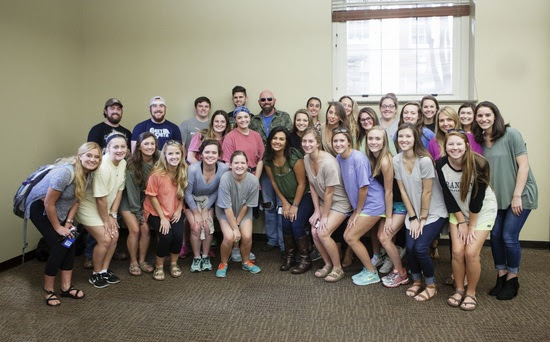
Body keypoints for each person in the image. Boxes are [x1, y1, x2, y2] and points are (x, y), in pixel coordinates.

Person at [473, 101, 538, 300]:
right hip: (497, 198)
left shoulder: (512, 134)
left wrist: (517, 195)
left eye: (487, 115)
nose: (483, 119)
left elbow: (524, 167)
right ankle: (501, 276)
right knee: (496, 237)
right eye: (480, 116)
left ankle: (512, 278)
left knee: (509, 236)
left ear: (495, 116)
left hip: (520, 194)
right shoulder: (479, 141)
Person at [26, 142, 101, 306]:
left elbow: (76, 200)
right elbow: (48, 203)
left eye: (97, 157)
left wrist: (68, 223)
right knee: (60, 246)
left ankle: (66, 288)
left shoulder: (88, 174)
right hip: (40, 208)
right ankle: (49, 290)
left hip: (60, 211)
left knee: (70, 243)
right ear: (80, 156)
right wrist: (58, 227)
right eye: (89, 155)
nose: (93, 159)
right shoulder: (65, 173)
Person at [436, 130, 497, 311]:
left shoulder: (479, 163)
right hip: (458, 211)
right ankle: (459, 289)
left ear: (466, 146)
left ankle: (471, 293)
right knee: (456, 251)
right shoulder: (440, 164)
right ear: (445, 147)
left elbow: (477, 199)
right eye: (451, 145)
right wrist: (462, 222)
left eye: (459, 144)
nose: (455, 148)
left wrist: (471, 225)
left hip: (482, 211)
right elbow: (447, 196)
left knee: (470, 253)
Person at [394, 123, 448, 301]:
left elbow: (427, 192)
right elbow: (403, 191)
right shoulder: (396, 160)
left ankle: (431, 285)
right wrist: (413, 217)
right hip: (415, 213)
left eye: (408, 136)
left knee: (421, 248)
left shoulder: (424, 160)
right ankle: (417, 281)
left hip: (433, 212)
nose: (404, 140)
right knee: (410, 248)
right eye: (401, 136)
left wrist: (422, 218)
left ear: (415, 138)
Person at [333, 128, 385, 286]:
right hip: (362, 205)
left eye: (342, 140)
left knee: (350, 237)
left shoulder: (358, 159)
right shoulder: (339, 158)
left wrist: (357, 212)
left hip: (373, 203)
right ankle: (371, 265)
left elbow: (364, 188)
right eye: (335, 141)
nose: (338, 144)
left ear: (349, 142)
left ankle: (371, 272)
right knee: (349, 235)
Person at [85, 97, 131, 268]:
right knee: (100, 223)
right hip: (97, 192)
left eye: (118, 108)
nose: (115, 111)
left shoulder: (126, 132)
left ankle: (110, 248)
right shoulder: (97, 129)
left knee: (114, 221)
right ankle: (90, 255)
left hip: (113, 187)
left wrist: (112, 212)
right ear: (105, 111)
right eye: (112, 108)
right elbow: (91, 152)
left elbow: (120, 188)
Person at [77, 132, 128, 288]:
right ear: (107, 149)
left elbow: (120, 190)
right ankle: (96, 273)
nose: (120, 150)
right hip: (89, 207)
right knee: (105, 239)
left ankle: (104, 270)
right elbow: (100, 199)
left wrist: (113, 214)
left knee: (115, 235)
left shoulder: (123, 163)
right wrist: (107, 220)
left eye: (123, 147)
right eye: (116, 147)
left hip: (106, 207)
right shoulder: (103, 168)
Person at [302, 128, 353, 282]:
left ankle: (338, 268)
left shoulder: (328, 163)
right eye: (304, 141)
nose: (307, 144)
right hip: (325, 202)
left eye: (311, 141)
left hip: (339, 203)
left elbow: (330, 192)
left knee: (322, 232)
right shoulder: (306, 159)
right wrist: (317, 211)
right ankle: (328, 264)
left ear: (318, 143)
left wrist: (324, 216)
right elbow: (312, 185)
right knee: (314, 231)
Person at [264, 127, 314, 274]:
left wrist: (295, 205)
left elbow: (302, 183)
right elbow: (273, 183)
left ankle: (306, 259)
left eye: (281, 139)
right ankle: (290, 257)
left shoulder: (294, 156)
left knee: (296, 224)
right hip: (287, 199)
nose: (277, 141)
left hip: (304, 196)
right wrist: (285, 203)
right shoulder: (268, 159)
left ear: (286, 142)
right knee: (285, 223)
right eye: (274, 138)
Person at [363, 126, 408, 287]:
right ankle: (395, 266)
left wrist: (388, 217)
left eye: (377, 139)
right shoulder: (372, 158)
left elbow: (389, 191)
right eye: (370, 139)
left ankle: (400, 272)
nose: (373, 142)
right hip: (390, 204)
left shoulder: (384, 159)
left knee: (384, 237)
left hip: (400, 204)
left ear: (384, 142)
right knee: (381, 235)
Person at [249, 90, 293, 253]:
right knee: (268, 204)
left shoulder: (284, 117)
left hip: (282, 165)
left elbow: (287, 139)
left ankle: (283, 242)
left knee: (282, 206)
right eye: (263, 99)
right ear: (259, 102)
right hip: (264, 165)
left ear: (274, 100)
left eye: (269, 99)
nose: (266, 101)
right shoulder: (253, 120)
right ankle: (272, 239)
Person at [221, 106, 263, 261]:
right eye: (240, 118)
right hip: (235, 178)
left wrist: (255, 180)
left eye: (246, 117)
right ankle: (235, 249)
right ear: (235, 120)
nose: (243, 120)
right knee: (234, 210)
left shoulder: (256, 136)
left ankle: (244, 247)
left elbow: (260, 160)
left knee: (247, 212)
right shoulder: (230, 137)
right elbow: (227, 161)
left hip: (251, 178)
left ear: (250, 118)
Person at [143, 140, 188, 280]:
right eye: (170, 154)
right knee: (166, 236)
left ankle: (174, 264)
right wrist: (162, 218)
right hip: (156, 211)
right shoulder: (157, 174)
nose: (174, 157)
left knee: (178, 236)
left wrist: (179, 209)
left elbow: (182, 193)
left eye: (177, 153)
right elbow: (152, 197)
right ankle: (159, 266)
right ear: (165, 156)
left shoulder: (183, 169)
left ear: (181, 154)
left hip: (175, 209)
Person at [184, 140, 229, 272]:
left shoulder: (224, 169)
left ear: (219, 155)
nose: (210, 155)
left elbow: (217, 191)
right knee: (196, 227)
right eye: (207, 152)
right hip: (191, 201)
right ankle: (197, 257)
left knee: (208, 227)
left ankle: (205, 256)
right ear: (201, 154)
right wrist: (196, 213)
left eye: (214, 152)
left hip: (209, 202)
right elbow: (187, 193)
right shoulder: (192, 169)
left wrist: (206, 209)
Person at [215, 151, 261, 278]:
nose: (239, 166)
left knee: (246, 237)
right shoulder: (225, 178)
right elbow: (227, 207)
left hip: (243, 212)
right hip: (225, 211)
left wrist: (238, 223)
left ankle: (245, 261)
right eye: (236, 163)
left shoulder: (253, 181)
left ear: (247, 165)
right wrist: (235, 229)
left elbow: (247, 205)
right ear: (230, 165)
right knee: (229, 237)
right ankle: (223, 263)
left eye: (242, 163)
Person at [120, 132, 159, 276]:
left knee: (146, 230)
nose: (150, 147)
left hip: (145, 198)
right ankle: (133, 262)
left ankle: (142, 261)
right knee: (136, 229)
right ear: (139, 147)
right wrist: (138, 213)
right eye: (146, 144)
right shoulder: (132, 165)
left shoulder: (159, 158)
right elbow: (132, 192)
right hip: (128, 199)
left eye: (152, 144)